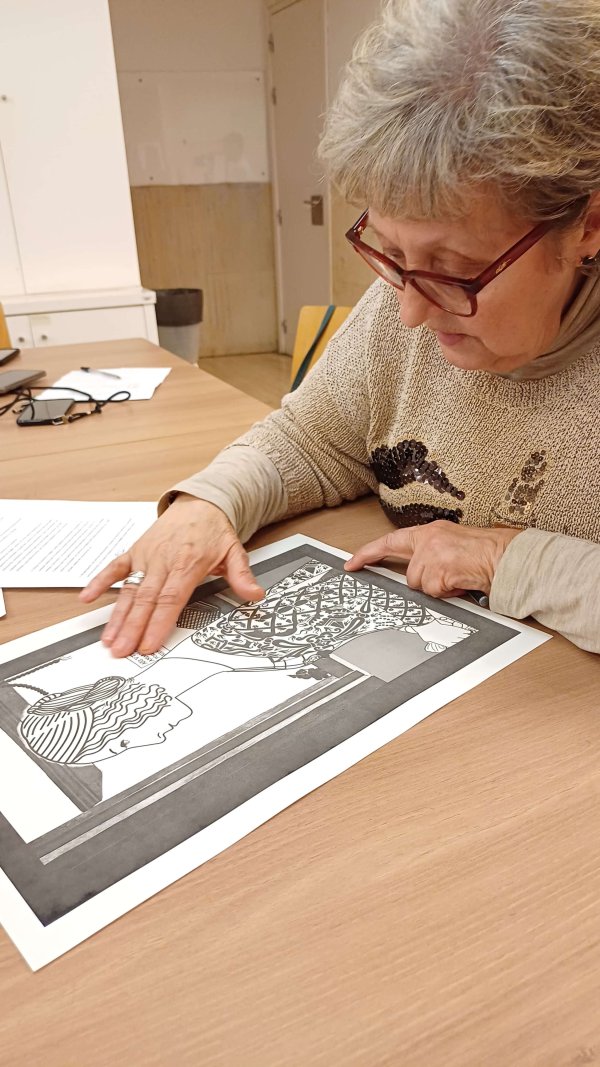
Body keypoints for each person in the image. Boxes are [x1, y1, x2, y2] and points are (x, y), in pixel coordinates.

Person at [81, 0, 600, 657]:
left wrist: (514, 560)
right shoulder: (405, 302)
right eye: (390, 251)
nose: (410, 312)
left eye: (457, 270)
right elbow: (311, 437)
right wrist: (208, 505)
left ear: (587, 225)